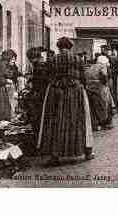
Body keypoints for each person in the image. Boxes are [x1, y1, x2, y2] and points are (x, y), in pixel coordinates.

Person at [37, 37, 94, 165]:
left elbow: (48, 76)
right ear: (70, 47)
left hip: (56, 92)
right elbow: (83, 77)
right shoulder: (77, 59)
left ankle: (55, 155)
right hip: (75, 91)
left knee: (54, 121)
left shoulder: (53, 60)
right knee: (79, 120)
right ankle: (87, 151)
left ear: (59, 47)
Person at [23, 47, 50, 136]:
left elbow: (38, 84)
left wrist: (30, 92)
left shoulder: (38, 66)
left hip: (40, 96)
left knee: (37, 118)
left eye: (30, 59)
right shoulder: (41, 64)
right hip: (43, 94)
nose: (30, 61)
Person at [84, 58, 114, 131]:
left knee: (93, 107)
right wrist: (106, 84)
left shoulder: (91, 67)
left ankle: (95, 124)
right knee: (103, 105)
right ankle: (105, 123)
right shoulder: (102, 67)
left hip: (89, 88)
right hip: (99, 88)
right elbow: (104, 77)